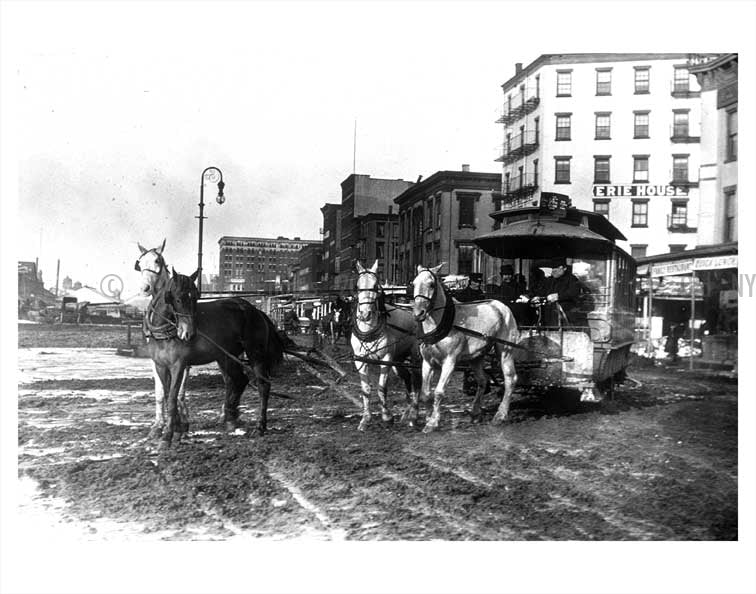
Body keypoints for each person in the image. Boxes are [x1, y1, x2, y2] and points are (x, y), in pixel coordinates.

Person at [530, 257, 582, 325]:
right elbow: (543, 291)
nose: (553, 270)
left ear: (564, 268)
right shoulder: (550, 280)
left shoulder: (572, 280)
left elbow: (573, 293)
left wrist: (558, 296)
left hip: (565, 315)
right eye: (553, 268)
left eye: (557, 268)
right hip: (548, 315)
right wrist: (537, 297)